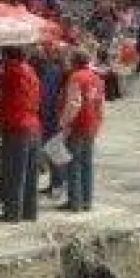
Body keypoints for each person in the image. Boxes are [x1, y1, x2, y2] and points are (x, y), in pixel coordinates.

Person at [0, 46, 42, 223]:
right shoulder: (32, 72)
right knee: (30, 173)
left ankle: (12, 213)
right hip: (34, 125)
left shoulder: (11, 72)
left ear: (8, 56)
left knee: (14, 172)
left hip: (16, 126)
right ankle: (30, 212)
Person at [58, 48, 104, 213]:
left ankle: (75, 202)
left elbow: (74, 103)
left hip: (77, 125)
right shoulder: (97, 78)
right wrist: (99, 123)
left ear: (75, 62)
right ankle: (87, 201)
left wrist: (63, 123)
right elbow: (100, 104)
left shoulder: (75, 77)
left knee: (74, 164)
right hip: (92, 125)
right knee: (87, 164)